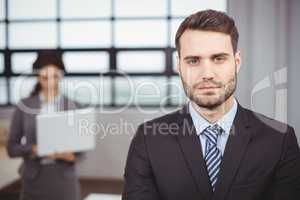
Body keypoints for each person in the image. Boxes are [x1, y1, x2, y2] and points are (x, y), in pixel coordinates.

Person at [122, 10, 300, 200]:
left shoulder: (280, 141)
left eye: (218, 59)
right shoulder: (148, 139)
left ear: (237, 62)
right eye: (193, 60)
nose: (207, 73)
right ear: (179, 66)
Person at [7, 50, 82, 200]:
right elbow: (12, 148)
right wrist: (33, 149)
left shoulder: (73, 106)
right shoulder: (24, 106)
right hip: (33, 180)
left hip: (64, 182)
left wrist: (69, 155)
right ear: (38, 77)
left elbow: (81, 151)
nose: (50, 82)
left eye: (55, 76)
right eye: (45, 77)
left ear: (61, 76)